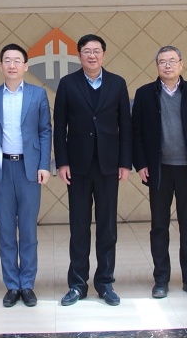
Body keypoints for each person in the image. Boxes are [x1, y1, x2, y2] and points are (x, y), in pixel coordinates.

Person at [54, 33, 131, 307]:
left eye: (97, 51)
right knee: (79, 226)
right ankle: (77, 284)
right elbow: (59, 125)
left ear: (104, 55)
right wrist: (62, 162)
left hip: (109, 165)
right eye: (86, 51)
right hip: (78, 166)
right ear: (79, 56)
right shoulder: (67, 84)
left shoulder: (117, 83)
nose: (92, 55)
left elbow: (126, 126)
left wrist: (125, 162)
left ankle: (105, 282)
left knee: (107, 227)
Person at [132, 46, 187, 300]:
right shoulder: (144, 94)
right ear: (156, 66)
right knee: (159, 226)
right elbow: (136, 133)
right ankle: (161, 279)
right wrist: (141, 163)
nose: (167, 66)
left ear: (181, 64)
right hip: (159, 169)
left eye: (172, 61)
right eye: (162, 62)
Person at [0, 44, 52, 308]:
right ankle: (12, 284)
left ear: (25, 66)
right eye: (7, 60)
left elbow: (45, 130)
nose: (12, 65)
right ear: (0, 66)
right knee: (6, 229)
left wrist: (44, 164)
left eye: (17, 60)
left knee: (28, 229)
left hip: (28, 168)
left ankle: (27, 284)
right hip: (1, 168)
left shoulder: (37, 94)